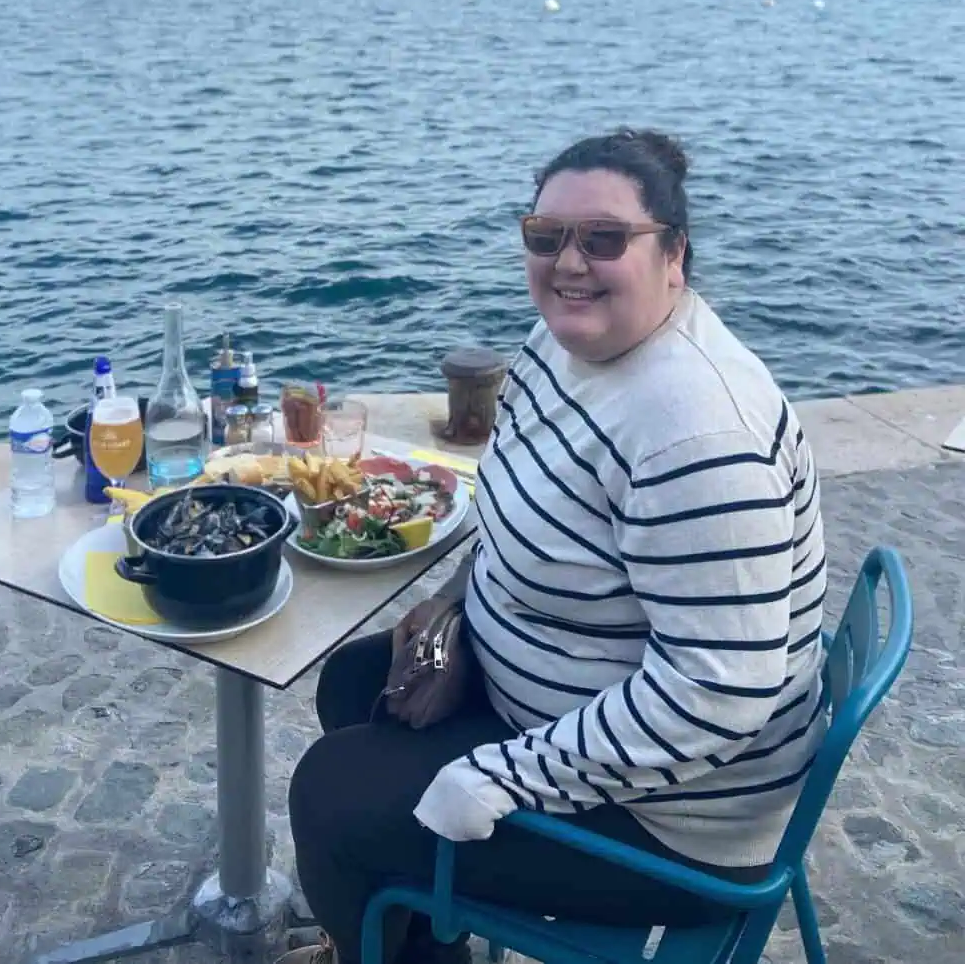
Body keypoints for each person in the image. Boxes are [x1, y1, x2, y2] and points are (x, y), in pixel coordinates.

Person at [283, 128, 826, 964]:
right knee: (355, 685)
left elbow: (717, 693)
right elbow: (517, 513)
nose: (568, 263)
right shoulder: (565, 343)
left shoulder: (699, 435)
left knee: (328, 797)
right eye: (546, 237)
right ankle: (407, 933)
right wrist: (456, 607)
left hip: (669, 821)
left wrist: (501, 777)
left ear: (673, 254)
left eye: (603, 239)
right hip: (563, 712)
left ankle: (381, 929)